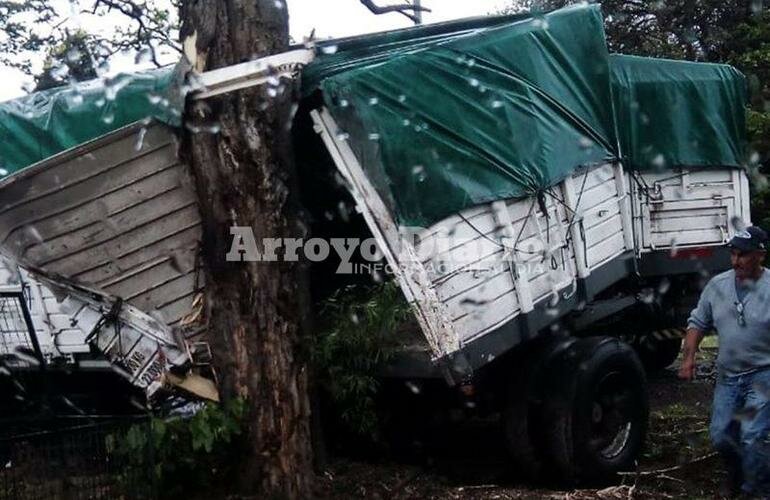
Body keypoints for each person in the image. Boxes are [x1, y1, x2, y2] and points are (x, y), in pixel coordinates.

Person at [679, 225, 770, 497]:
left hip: (763, 375)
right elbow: (697, 322)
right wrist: (688, 358)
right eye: (733, 253)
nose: (735, 261)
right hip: (729, 376)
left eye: (743, 254)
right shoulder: (718, 286)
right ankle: (740, 470)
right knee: (722, 436)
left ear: (760, 255)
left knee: (752, 434)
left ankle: (758, 490)